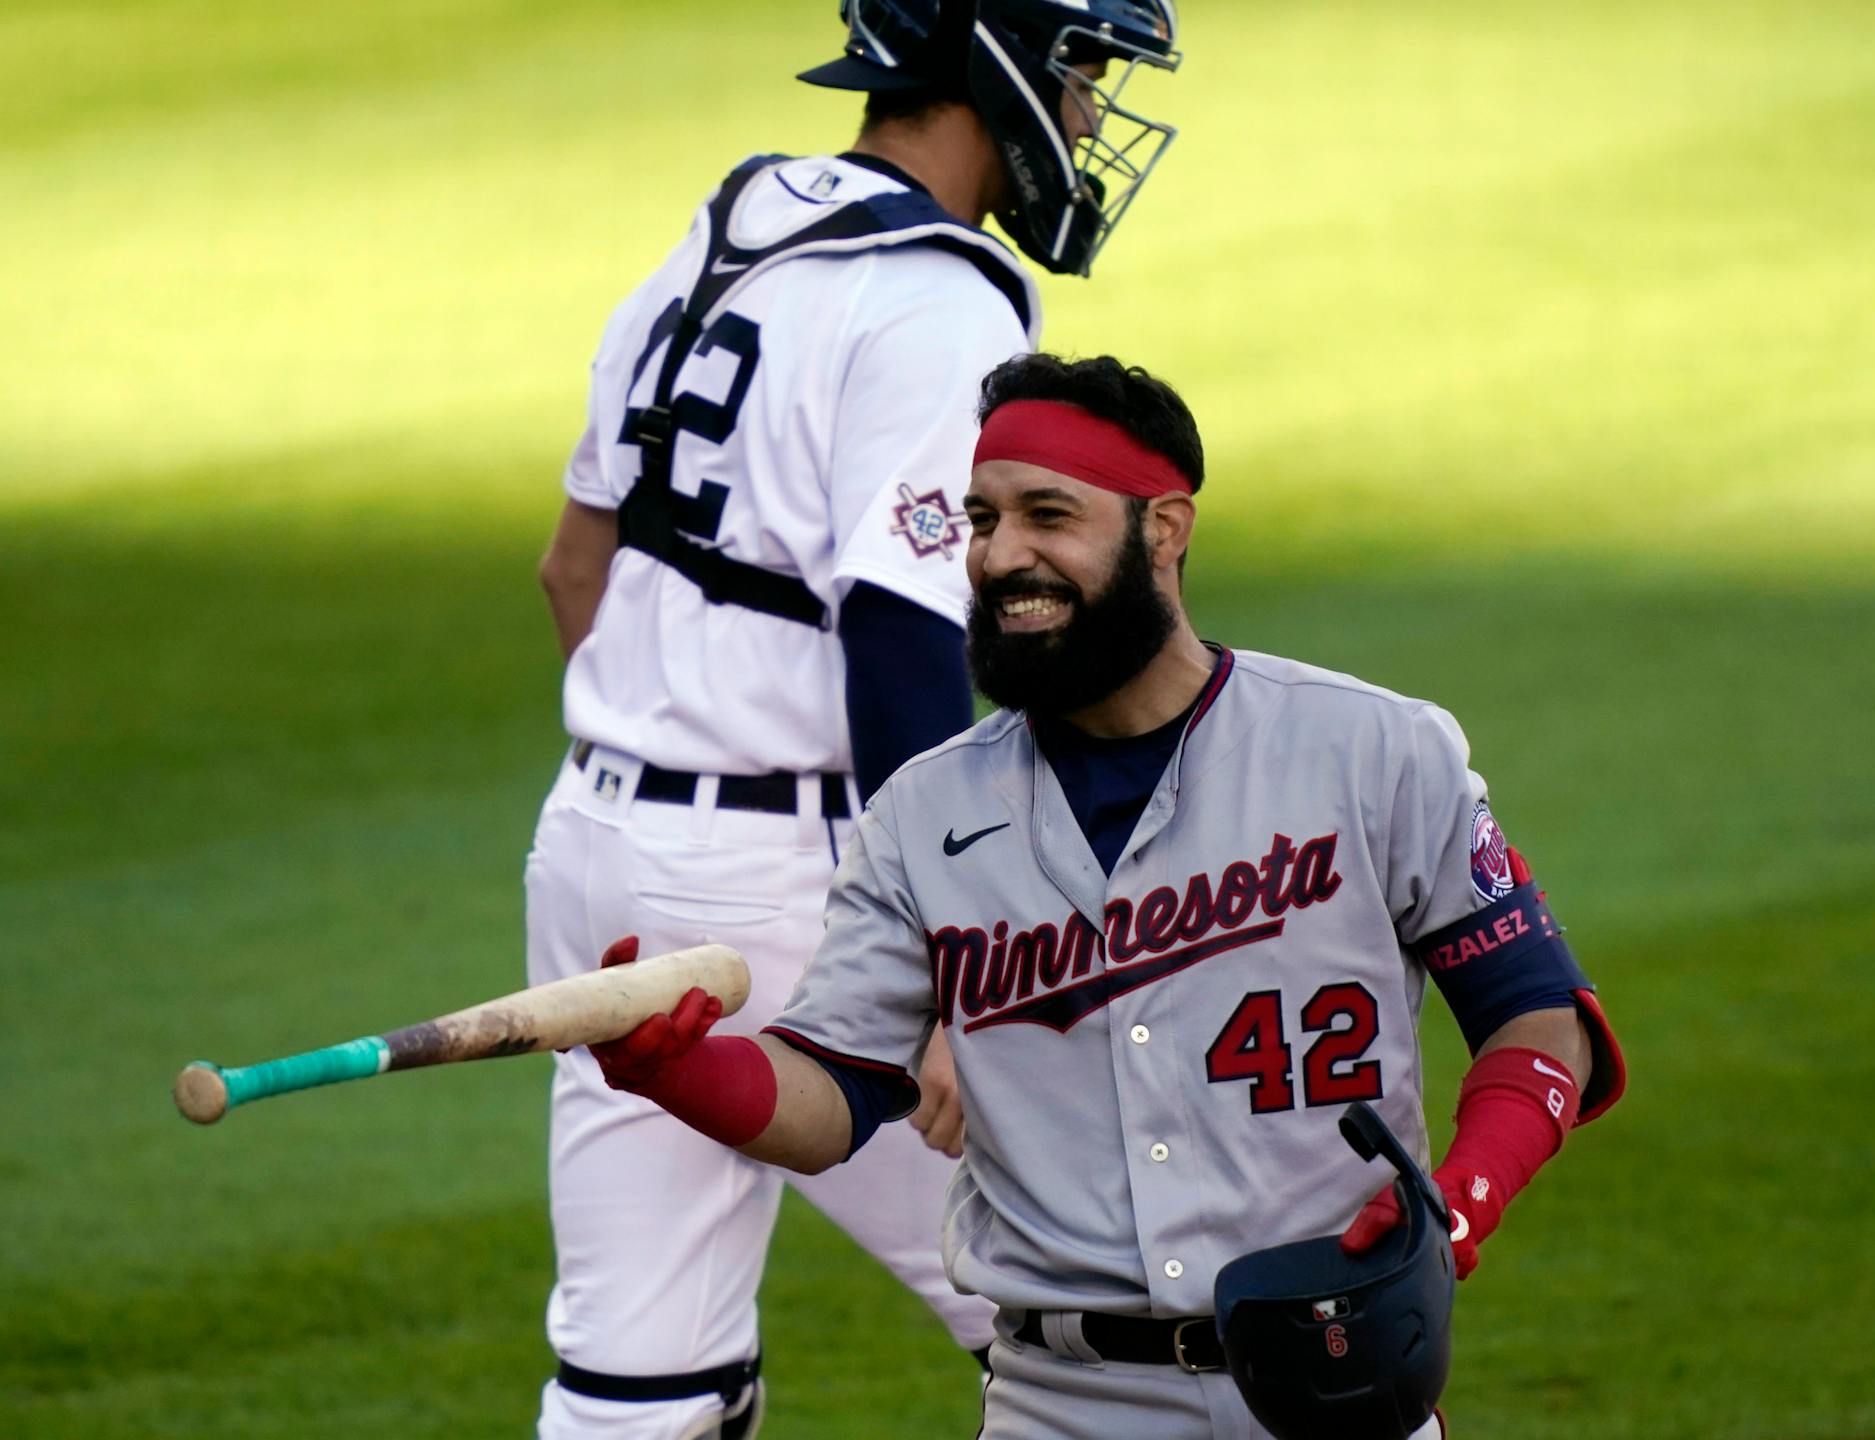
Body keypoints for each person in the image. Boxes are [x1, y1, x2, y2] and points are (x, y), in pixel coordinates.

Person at [586, 354, 1629, 1440]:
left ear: (1163, 529)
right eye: (982, 520)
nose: (1002, 554)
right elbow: (833, 1094)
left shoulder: (1374, 750)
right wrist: (673, 1067)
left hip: (1338, 1378)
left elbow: (1539, 1014)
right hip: (1063, 1403)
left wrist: (1464, 1195)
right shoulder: (921, 814)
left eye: (1048, 515)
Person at [524, 4, 1183, 1436]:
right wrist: (955, 969)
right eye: (1081, 71)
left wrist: (665, 781)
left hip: (596, 853)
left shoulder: (729, 231)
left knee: (639, 1376)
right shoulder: (937, 299)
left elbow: (574, 567)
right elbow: (900, 639)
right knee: (1123, 1323)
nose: (1088, 114)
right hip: (794, 890)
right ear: (994, 60)